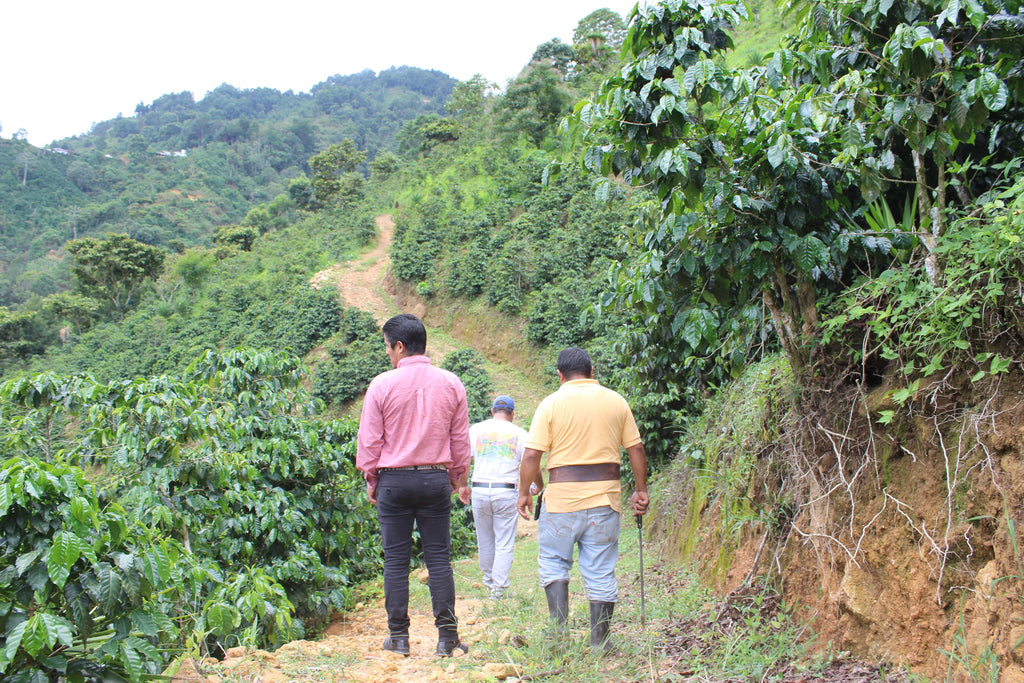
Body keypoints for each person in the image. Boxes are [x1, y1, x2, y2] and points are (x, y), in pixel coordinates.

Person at [516, 347, 649, 653]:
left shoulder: (550, 404)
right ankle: (600, 641)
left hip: (561, 502)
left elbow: (532, 456)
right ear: (592, 372)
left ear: (560, 376)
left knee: (554, 563)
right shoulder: (616, 401)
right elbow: (636, 449)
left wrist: (524, 493)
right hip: (605, 501)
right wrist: (640, 490)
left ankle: (559, 636)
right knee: (600, 569)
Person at [356, 313, 472, 658]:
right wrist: (457, 478)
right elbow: (460, 440)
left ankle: (398, 637)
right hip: (435, 479)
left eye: (387, 347)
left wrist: (371, 478)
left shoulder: (381, 385)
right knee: (438, 558)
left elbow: (370, 441)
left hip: (394, 481)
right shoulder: (451, 383)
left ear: (400, 346)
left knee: (395, 560)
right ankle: (447, 638)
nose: (387, 353)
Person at [468, 395, 531, 599]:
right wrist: (530, 488)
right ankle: (499, 588)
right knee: (504, 541)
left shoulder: (476, 430)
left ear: (492, 411)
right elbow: (529, 462)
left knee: (485, 539)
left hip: (479, 488)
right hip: (505, 490)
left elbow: (464, 458)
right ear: (512, 414)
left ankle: (489, 582)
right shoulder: (520, 433)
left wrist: (461, 485)